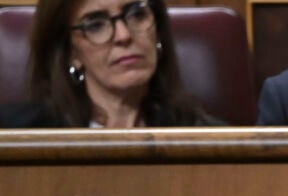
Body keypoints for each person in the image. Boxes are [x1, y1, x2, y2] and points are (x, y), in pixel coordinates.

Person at [0, 0, 219, 127]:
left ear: (158, 31)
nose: (124, 35)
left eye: (137, 14)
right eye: (96, 25)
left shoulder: (207, 137)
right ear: (71, 53)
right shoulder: (15, 136)